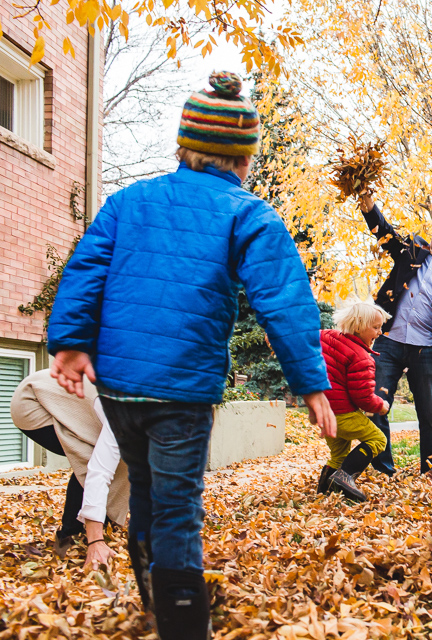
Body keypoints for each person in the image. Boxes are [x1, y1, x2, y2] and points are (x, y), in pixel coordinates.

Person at [46, 71, 337, 640]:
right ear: (242, 158)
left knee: (150, 497)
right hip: (182, 391)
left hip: (121, 388)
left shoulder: (127, 202)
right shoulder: (247, 213)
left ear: (186, 146)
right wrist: (310, 381)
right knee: (178, 506)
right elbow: (284, 300)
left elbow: (84, 272)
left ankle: (157, 604)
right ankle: (184, 628)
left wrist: (73, 344)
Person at [358, 191, 432, 475]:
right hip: (389, 342)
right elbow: (385, 233)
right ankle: (384, 470)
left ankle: (430, 471)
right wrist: (369, 204)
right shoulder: (412, 250)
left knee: (430, 416)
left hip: (427, 349)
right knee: (376, 405)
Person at [11, 369, 128, 569]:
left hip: (80, 401)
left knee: (122, 457)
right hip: (33, 401)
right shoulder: (127, 413)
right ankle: (71, 535)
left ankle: (96, 521)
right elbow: (99, 471)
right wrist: (96, 541)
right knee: (93, 457)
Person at [315, 299, 391, 502]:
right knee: (378, 439)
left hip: (324, 413)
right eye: (375, 327)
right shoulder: (362, 357)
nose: (379, 332)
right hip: (343, 414)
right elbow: (363, 397)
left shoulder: (325, 336)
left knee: (338, 454)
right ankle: (345, 476)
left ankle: (324, 492)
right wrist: (381, 406)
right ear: (358, 327)